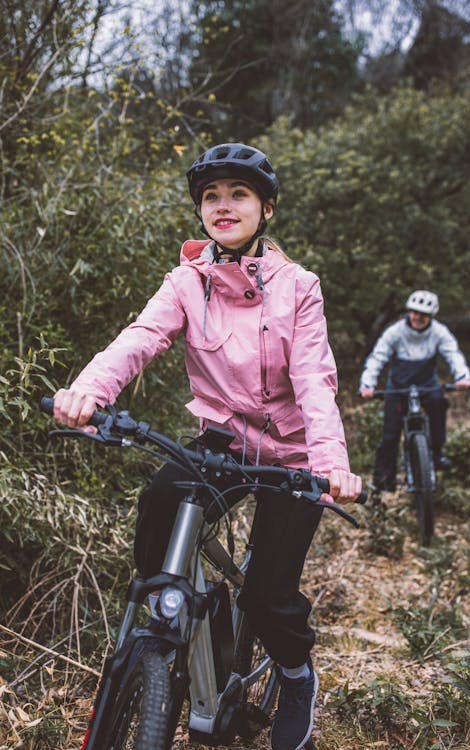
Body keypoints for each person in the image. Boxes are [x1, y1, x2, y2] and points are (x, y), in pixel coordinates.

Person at [53, 142, 362, 750]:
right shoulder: (187, 282)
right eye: (211, 196)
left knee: (269, 595)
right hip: (222, 438)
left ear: (266, 209)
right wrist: (88, 391)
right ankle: (184, 629)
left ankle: (297, 678)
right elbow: (140, 338)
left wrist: (330, 464)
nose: (223, 205)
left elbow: (313, 378)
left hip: (294, 453)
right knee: (157, 511)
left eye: (238, 194)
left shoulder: (299, 286)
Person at [359, 289, 470, 493]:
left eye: (423, 314)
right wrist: (368, 384)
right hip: (399, 388)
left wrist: (462, 376)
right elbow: (378, 357)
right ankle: (383, 482)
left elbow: (452, 353)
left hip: (427, 385)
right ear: (409, 312)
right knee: (390, 435)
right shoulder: (395, 332)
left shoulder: (439, 332)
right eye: (414, 312)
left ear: (431, 316)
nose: (418, 317)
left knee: (438, 404)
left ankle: (436, 454)